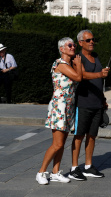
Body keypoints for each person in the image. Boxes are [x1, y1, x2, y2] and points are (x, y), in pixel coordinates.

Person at [36, 37, 82, 185]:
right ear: (62, 49)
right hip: (59, 107)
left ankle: (55, 172)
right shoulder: (60, 64)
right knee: (57, 144)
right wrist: (79, 64)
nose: (73, 47)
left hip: (68, 107)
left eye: (74, 45)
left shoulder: (69, 64)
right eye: (69, 45)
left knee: (62, 143)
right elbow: (78, 77)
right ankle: (41, 172)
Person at [69, 30, 109, 181]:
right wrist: (100, 74)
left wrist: (103, 98)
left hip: (97, 102)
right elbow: (83, 75)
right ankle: (74, 168)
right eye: (88, 40)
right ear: (80, 43)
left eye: (93, 39)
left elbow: (100, 81)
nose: (92, 42)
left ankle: (88, 166)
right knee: (79, 135)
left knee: (92, 136)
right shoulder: (77, 58)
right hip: (83, 103)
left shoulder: (96, 57)